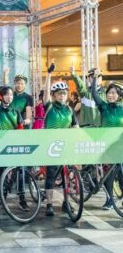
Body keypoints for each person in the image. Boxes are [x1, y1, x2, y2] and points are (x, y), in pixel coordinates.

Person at [43, 63, 79, 216]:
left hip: (66, 146)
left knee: (67, 176)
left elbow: (76, 127)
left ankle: (66, 202)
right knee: (51, 176)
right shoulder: (50, 106)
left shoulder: (70, 109)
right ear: (54, 95)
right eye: (59, 94)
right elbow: (46, 93)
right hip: (51, 146)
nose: (62, 96)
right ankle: (49, 204)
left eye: (64, 93)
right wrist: (48, 74)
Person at [0, 78, 24, 211]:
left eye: (11, 94)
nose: (9, 97)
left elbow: (20, 128)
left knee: (16, 171)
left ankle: (8, 194)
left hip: (12, 145)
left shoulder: (16, 111)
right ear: (2, 96)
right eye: (7, 94)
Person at [91, 71, 123, 210]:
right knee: (107, 175)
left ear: (119, 95)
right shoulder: (103, 107)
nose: (110, 95)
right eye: (109, 93)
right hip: (106, 146)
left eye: (114, 93)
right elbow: (94, 94)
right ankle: (109, 199)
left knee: (121, 173)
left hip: (120, 145)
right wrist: (95, 78)